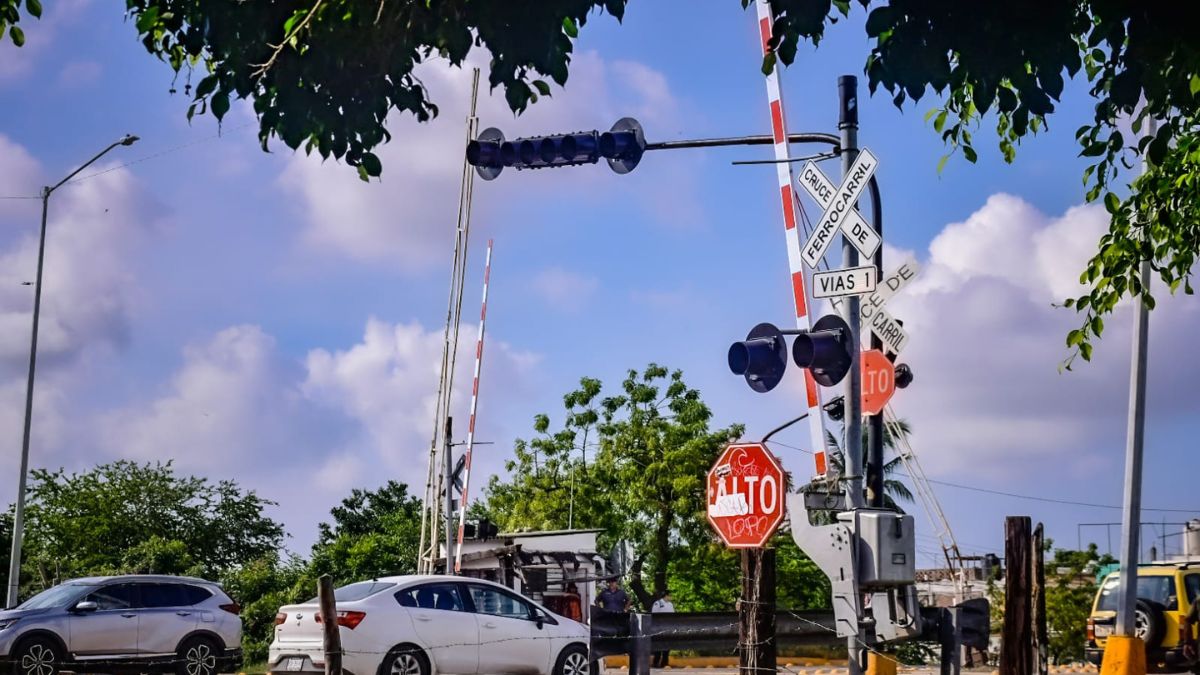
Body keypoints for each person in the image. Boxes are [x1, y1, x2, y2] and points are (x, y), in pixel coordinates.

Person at [650, 590, 675, 668]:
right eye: (670, 595)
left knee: (667, 647)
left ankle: (665, 663)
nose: (671, 597)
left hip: (668, 627)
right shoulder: (658, 603)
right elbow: (653, 615)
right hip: (659, 628)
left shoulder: (670, 604)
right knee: (658, 646)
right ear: (666, 596)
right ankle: (655, 663)